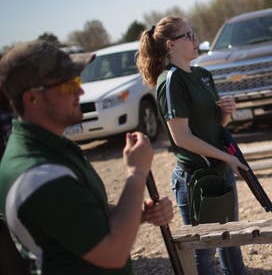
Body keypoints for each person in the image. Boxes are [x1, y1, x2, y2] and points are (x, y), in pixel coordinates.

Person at [0, 41, 173, 274]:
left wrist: (138, 213)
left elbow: (85, 214)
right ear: (32, 99)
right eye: (68, 84)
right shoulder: (36, 173)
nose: (79, 91)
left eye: (78, 81)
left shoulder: (53, 147)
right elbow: (113, 253)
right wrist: (136, 173)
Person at [136, 16, 248, 275]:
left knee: (231, 242)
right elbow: (181, 137)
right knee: (204, 252)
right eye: (187, 36)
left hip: (220, 170)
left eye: (193, 33)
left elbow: (214, 125)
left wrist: (226, 114)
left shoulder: (202, 74)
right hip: (195, 178)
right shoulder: (171, 81)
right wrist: (227, 158)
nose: (195, 40)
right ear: (170, 45)